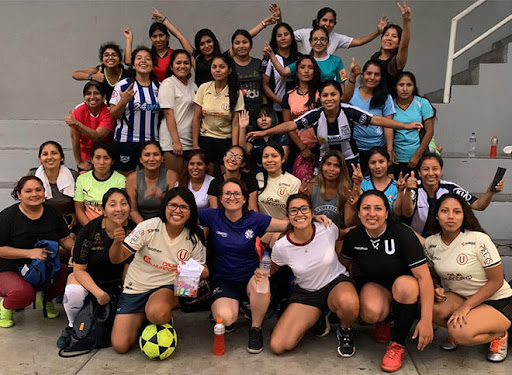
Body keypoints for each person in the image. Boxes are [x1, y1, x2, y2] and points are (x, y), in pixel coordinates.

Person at [198, 178, 329, 353]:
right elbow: (186, 214)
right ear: (220, 198)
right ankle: (237, 305)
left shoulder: (255, 218)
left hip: (251, 276)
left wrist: (312, 217)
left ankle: (256, 329)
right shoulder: (212, 216)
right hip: (224, 280)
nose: (232, 197)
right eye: (227, 193)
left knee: (261, 285)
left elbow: (288, 224)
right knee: (226, 318)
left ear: (245, 198)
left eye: (237, 193)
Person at [341, 190, 434, 372]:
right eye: (366, 208)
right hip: (376, 286)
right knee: (370, 312)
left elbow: (424, 277)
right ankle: (386, 318)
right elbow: (342, 263)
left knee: (405, 287)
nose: (372, 213)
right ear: (358, 212)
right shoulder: (355, 236)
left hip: (404, 285)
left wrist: (426, 319)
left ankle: (397, 344)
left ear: (386, 212)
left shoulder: (402, 234)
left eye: (378, 208)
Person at [247, 80, 422, 174]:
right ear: (320, 98)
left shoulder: (349, 111)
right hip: (325, 159)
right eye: (325, 95)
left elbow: (377, 120)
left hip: (350, 159)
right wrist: (266, 132)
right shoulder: (316, 114)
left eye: (333, 94)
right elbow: (291, 125)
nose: (329, 98)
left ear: (340, 96)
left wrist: (405, 126)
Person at [110, 187, 208, 353]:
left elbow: (205, 270)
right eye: (172, 205)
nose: (177, 211)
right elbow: (116, 259)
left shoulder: (194, 236)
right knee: (120, 346)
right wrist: (116, 243)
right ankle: (144, 317)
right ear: (164, 208)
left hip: (165, 287)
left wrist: (189, 270)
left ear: (191, 211)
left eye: (184, 207)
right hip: (136, 287)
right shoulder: (148, 227)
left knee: (157, 313)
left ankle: (161, 316)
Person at [267, 193, 358, 356]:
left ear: (312, 212)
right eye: (294, 210)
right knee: (278, 345)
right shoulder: (282, 246)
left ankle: (345, 330)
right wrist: (258, 273)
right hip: (307, 293)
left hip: (335, 283)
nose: (299, 214)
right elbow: (271, 269)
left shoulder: (326, 228)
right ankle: (319, 317)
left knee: (348, 303)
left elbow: (344, 234)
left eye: (304, 209)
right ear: (288, 215)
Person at [425, 193, 512, 362]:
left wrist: (465, 307)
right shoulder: (431, 243)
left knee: (460, 333)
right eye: (445, 211)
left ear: (464, 215)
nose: (451, 216)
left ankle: (499, 334)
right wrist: (436, 286)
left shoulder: (479, 239)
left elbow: (497, 281)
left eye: (457, 212)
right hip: (461, 296)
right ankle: (459, 328)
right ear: (436, 215)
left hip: (497, 301)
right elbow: (434, 274)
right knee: (430, 307)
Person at [56, 188, 136, 348]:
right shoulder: (89, 231)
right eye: (112, 205)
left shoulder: (135, 231)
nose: (119, 209)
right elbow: (79, 270)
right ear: (104, 210)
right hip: (89, 276)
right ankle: (73, 328)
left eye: (123, 204)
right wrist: (98, 293)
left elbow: (131, 265)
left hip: (119, 280)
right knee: (74, 292)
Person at [0, 176, 74, 328]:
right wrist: (29, 253)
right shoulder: (7, 216)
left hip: (44, 267)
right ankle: (5, 307)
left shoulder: (52, 213)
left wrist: (77, 251)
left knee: (72, 275)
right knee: (24, 294)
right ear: (19, 195)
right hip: (9, 268)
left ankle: (46, 299)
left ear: (44, 192)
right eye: (28, 191)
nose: (34, 194)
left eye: (38, 190)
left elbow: (64, 239)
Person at [398, 153, 505, 237]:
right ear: (419, 173)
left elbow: (479, 205)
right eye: (426, 169)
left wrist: (490, 191)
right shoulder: (413, 188)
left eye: (435, 169)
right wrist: (408, 191)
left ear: (441, 171)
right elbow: (407, 213)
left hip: (445, 240)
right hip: (417, 240)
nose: (431, 173)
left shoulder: (451, 188)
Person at [265, 27, 359, 103]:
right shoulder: (305, 61)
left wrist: (352, 77)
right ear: (310, 42)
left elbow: (343, 96)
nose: (319, 42)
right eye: (315, 39)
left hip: (330, 105)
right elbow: (283, 72)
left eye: (323, 39)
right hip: (308, 106)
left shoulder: (337, 61)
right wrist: (272, 56)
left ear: (328, 42)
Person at [110, 46, 160, 173]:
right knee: (125, 180)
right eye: (139, 58)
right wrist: (123, 101)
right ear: (133, 65)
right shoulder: (123, 85)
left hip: (151, 141)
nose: (143, 61)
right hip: (126, 141)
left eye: (147, 59)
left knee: (149, 179)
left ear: (153, 65)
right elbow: (113, 114)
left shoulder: (159, 86)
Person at [192, 54, 245, 174]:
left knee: (226, 175)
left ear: (229, 69)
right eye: (214, 67)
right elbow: (196, 118)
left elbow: (235, 123)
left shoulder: (236, 93)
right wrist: (195, 144)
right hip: (205, 138)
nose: (217, 70)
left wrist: (234, 149)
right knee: (206, 176)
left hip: (225, 139)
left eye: (222, 67)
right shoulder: (204, 88)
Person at [124, 8, 194, 83]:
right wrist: (129, 39)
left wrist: (164, 20)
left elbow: (189, 49)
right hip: (153, 91)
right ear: (150, 39)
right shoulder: (148, 56)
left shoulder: (175, 55)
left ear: (167, 37)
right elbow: (128, 61)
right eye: (154, 36)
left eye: (161, 35)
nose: (158, 39)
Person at [280, 55, 322, 179]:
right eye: (302, 67)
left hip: (322, 146)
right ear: (297, 71)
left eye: (310, 68)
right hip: (299, 148)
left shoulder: (322, 94)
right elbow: (288, 125)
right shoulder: (288, 96)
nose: (306, 71)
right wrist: (303, 148)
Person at [349, 61, 395, 172]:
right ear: (363, 75)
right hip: (355, 148)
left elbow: (388, 125)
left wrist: (389, 150)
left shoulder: (386, 97)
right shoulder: (351, 94)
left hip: (378, 148)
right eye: (369, 73)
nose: (372, 77)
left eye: (376, 74)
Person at [286, 6, 388, 54]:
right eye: (324, 20)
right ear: (318, 21)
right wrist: (279, 20)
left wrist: (378, 32)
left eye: (331, 21)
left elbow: (359, 41)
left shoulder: (336, 38)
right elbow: (285, 37)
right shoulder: (305, 33)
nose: (327, 24)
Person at [159, 49, 197, 175]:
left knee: (185, 182)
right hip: (173, 142)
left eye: (186, 63)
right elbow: (168, 113)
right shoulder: (168, 84)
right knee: (173, 182)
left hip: (189, 140)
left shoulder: (193, 85)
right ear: (171, 66)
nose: (182, 66)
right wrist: (176, 141)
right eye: (178, 63)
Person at [391, 72, 435, 178]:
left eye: (409, 85)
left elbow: (429, 131)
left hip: (419, 157)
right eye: (401, 85)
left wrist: (417, 156)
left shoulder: (422, 103)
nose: (405, 89)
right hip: (396, 159)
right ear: (396, 87)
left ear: (414, 87)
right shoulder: (390, 104)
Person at [65, 81, 115, 172]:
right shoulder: (78, 110)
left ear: (103, 97)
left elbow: (97, 136)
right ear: (84, 97)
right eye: (88, 94)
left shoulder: (108, 112)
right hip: (86, 157)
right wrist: (79, 161)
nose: (92, 97)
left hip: (106, 156)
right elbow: (74, 137)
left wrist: (77, 123)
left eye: (96, 93)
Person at [27, 141, 78, 229]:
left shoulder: (73, 176)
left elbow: (81, 203)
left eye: (54, 153)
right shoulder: (33, 175)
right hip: (38, 222)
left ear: (62, 158)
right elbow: (25, 202)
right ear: (40, 159)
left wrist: (76, 214)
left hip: (68, 224)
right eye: (45, 154)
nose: (49, 157)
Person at [300, 150, 356, 229]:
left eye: (336, 166)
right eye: (328, 164)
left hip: (338, 236)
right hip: (313, 234)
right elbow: (302, 216)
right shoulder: (310, 187)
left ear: (341, 170)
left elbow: (348, 223)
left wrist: (354, 206)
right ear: (322, 166)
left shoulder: (346, 191)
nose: (331, 169)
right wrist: (300, 195)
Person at [74, 143, 126, 226]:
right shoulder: (82, 179)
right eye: (97, 158)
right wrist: (90, 229)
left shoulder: (120, 179)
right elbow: (79, 209)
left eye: (106, 158)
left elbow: (122, 209)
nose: (102, 162)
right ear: (91, 160)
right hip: (87, 226)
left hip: (113, 225)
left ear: (112, 161)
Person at [126, 141, 178, 223]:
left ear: (162, 158)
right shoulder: (132, 178)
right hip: (141, 224)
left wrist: (161, 197)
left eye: (156, 155)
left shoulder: (171, 176)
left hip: (166, 222)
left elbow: (175, 207)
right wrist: (146, 229)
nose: (151, 159)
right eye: (147, 155)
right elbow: (133, 211)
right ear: (140, 159)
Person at [261, 22, 301, 120]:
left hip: (298, 108)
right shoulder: (269, 58)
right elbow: (264, 85)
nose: (283, 38)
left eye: (286, 35)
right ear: (275, 39)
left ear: (291, 37)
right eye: (279, 36)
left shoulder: (299, 58)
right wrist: (281, 101)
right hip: (276, 109)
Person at [370, 0, 412, 93]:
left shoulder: (397, 61)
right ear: (381, 38)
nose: (389, 38)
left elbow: (404, 46)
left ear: (398, 43)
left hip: (389, 104)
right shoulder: (375, 57)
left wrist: (406, 21)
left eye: (394, 36)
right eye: (386, 35)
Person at [207, 145, 258, 212]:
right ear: (224, 158)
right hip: (221, 220)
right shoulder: (215, 183)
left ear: (243, 164)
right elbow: (214, 211)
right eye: (230, 154)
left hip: (245, 220)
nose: (233, 159)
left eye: (238, 157)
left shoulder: (250, 180)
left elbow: (252, 208)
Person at [230, 29, 264, 130]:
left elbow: (264, 87)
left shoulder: (258, 63)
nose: (241, 46)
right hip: (236, 112)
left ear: (251, 45)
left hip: (257, 112)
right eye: (237, 43)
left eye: (245, 42)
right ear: (232, 47)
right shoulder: (229, 65)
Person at [239, 106, 289, 173]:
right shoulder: (254, 135)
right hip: (258, 174)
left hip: (278, 172)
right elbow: (243, 152)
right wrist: (242, 128)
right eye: (259, 116)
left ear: (273, 118)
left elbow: (284, 160)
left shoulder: (281, 134)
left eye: (267, 116)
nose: (263, 119)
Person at [256, 144, 300, 219]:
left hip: (284, 227)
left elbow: (295, 211)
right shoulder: (258, 177)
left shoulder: (294, 182)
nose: (269, 160)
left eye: (274, 156)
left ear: (283, 159)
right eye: (265, 156)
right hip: (262, 228)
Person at [360, 147, 398, 213]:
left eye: (381, 162)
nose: (377, 166)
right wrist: (356, 184)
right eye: (373, 162)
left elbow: (399, 213)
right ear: (368, 165)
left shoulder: (397, 186)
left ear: (388, 163)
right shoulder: (362, 183)